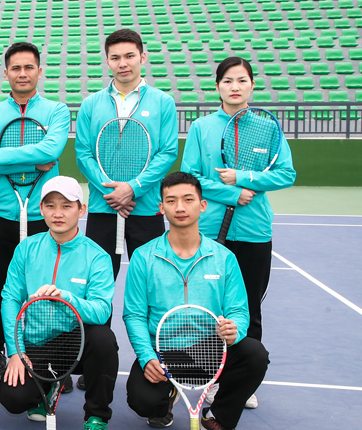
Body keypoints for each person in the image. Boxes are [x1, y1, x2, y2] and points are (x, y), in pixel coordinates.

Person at [181, 56, 295, 408]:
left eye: (242, 80)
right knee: (207, 306)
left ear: (252, 85)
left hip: (254, 232)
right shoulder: (201, 127)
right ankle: (208, 374)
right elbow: (191, 176)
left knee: (248, 308)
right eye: (228, 80)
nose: (235, 86)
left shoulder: (267, 128)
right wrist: (232, 192)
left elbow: (286, 174)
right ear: (217, 86)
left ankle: (242, 380)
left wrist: (244, 178)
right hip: (211, 231)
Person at [123, 172, 269, 430]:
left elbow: (239, 310)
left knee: (254, 354)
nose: (180, 207)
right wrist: (147, 358)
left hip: (211, 349)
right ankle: (167, 397)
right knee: (143, 400)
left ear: (202, 205)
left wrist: (235, 329)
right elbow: (134, 315)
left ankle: (218, 416)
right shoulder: (143, 257)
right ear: (162, 208)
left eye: (188, 199)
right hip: (164, 352)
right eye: (171, 201)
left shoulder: (224, 258)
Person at [0, 42, 70, 387]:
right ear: (6, 73)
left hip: (45, 215)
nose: (22, 73)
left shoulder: (57, 110)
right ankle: (0, 351)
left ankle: (53, 356)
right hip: (0, 215)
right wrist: (33, 159)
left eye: (29, 67)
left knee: (46, 289)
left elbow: (52, 150)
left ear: (39, 71)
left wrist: (1, 155)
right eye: (16, 68)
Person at [0, 176, 118, 430]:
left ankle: (96, 416)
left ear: (81, 210)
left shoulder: (97, 256)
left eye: (66, 205)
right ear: (41, 209)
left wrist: (68, 298)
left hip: (77, 342)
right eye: (50, 205)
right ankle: (49, 385)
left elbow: (102, 310)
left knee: (103, 338)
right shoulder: (26, 249)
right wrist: (16, 351)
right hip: (36, 343)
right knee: (13, 398)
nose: (58, 213)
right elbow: (10, 299)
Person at [75, 29, 179, 278]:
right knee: (97, 284)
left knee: (151, 283)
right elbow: (83, 154)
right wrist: (111, 192)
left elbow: (167, 153)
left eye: (129, 56)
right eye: (115, 57)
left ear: (142, 57)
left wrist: (133, 188)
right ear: (108, 61)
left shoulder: (163, 102)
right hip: (103, 207)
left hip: (146, 208)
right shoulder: (90, 104)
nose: (122, 63)